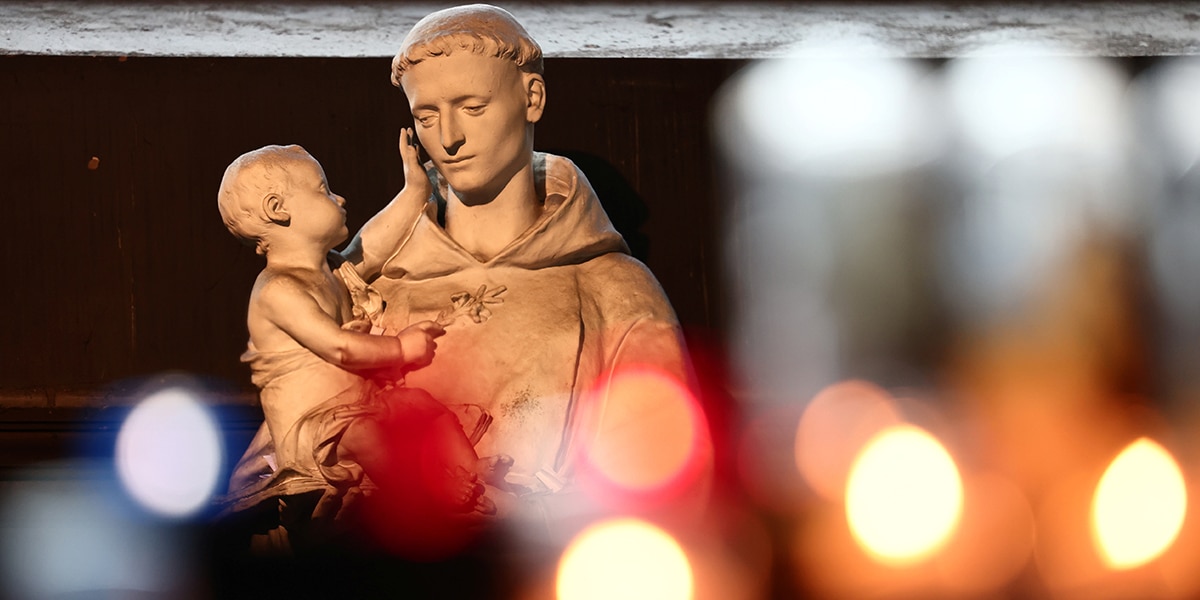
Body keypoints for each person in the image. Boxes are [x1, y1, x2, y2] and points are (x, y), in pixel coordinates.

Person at [342, 4, 699, 525]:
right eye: (425, 116)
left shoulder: (612, 291)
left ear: (531, 98)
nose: (449, 138)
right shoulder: (376, 290)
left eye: (473, 106)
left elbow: (666, 483)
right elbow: (289, 465)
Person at [217, 140, 510, 550]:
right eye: (322, 189)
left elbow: (376, 241)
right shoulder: (278, 291)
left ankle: (470, 468)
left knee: (423, 405)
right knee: (372, 438)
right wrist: (402, 350)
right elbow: (339, 348)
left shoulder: (335, 272)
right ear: (277, 209)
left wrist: (414, 189)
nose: (339, 197)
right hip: (316, 430)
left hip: (360, 405)